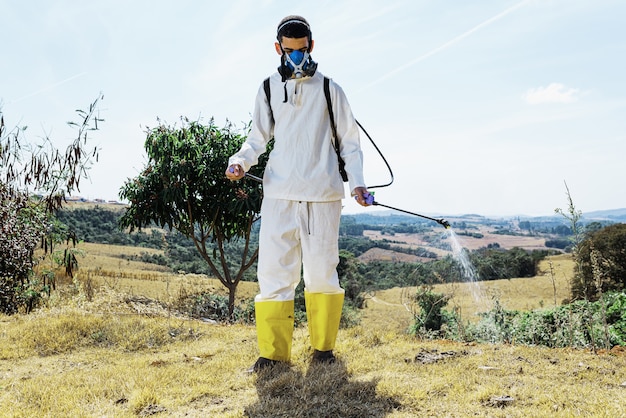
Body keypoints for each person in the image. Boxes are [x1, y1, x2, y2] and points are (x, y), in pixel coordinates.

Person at [225, 15, 371, 372]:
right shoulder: (268, 88)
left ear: (311, 47)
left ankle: (323, 351)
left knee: (322, 273)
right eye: (289, 52)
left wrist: (358, 183)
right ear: (278, 49)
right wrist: (240, 162)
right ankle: (273, 356)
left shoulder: (330, 89)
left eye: (301, 51)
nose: (296, 58)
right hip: (278, 196)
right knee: (274, 274)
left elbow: (350, 143)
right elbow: (256, 138)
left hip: (322, 195)